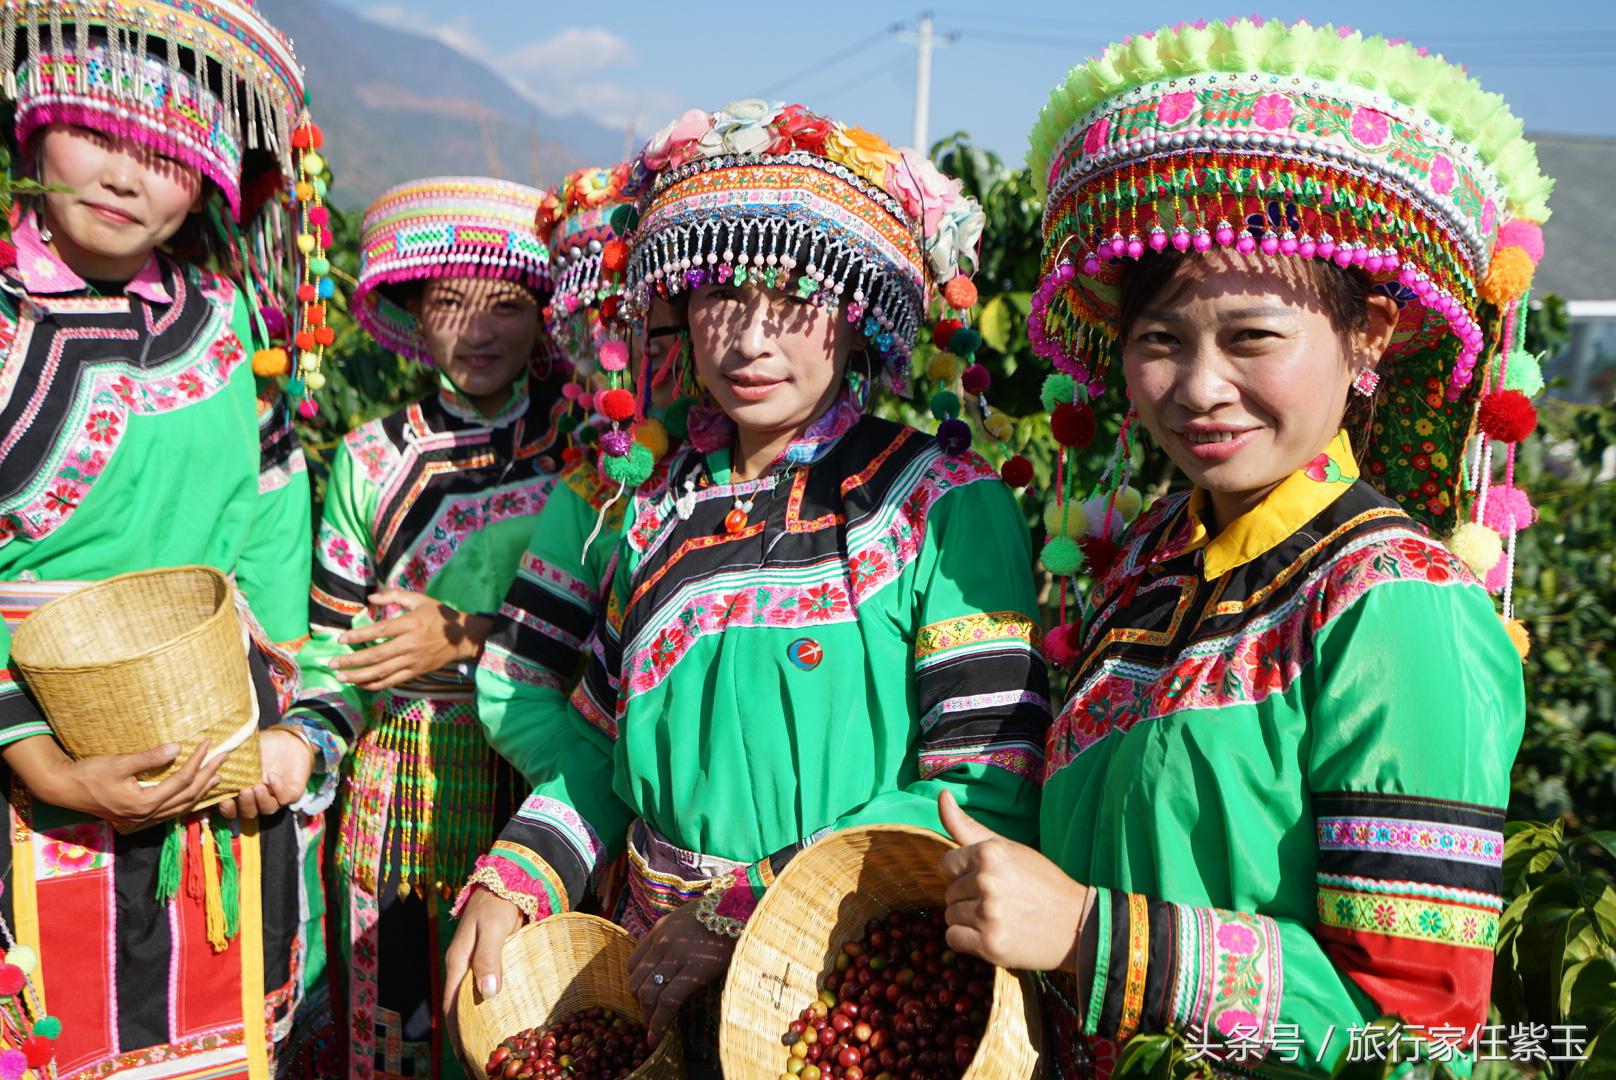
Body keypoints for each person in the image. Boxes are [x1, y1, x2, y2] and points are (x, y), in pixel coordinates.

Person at [935, 17, 1549, 1077]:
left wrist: (1092, 933)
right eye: (1159, 342)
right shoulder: (1143, 564)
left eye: (1252, 338)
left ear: (1369, 337)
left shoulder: (1395, 601)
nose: (1199, 390)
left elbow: (1417, 1035)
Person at [446, 101, 1050, 1049]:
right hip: (651, 971)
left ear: (856, 321)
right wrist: (520, 870)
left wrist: (750, 911)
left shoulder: (941, 505)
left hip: (848, 982)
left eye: (792, 301)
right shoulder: (653, 509)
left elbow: (983, 784)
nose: (749, 341)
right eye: (720, 298)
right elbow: (605, 759)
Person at [0, 2, 339, 1076]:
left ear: (207, 177)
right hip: (25, 791)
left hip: (222, 798)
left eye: (163, 151)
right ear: (33, 128)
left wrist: (290, 738)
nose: (121, 175)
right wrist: (43, 760)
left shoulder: (234, 329)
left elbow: (279, 571)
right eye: (93, 129)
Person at [279, 176, 564, 1079]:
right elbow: (330, 650)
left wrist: (474, 637)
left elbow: (612, 636)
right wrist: (306, 744)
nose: (478, 331)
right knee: (395, 1014)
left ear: (545, 316)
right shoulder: (371, 460)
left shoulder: (588, 454)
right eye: (449, 303)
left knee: (522, 1015)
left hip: (537, 773)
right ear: (413, 307)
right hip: (397, 791)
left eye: (508, 306)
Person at [478, 163, 685, 786]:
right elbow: (511, 682)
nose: (633, 355)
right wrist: (599, 794)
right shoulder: (598, 489)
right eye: (617, 332)